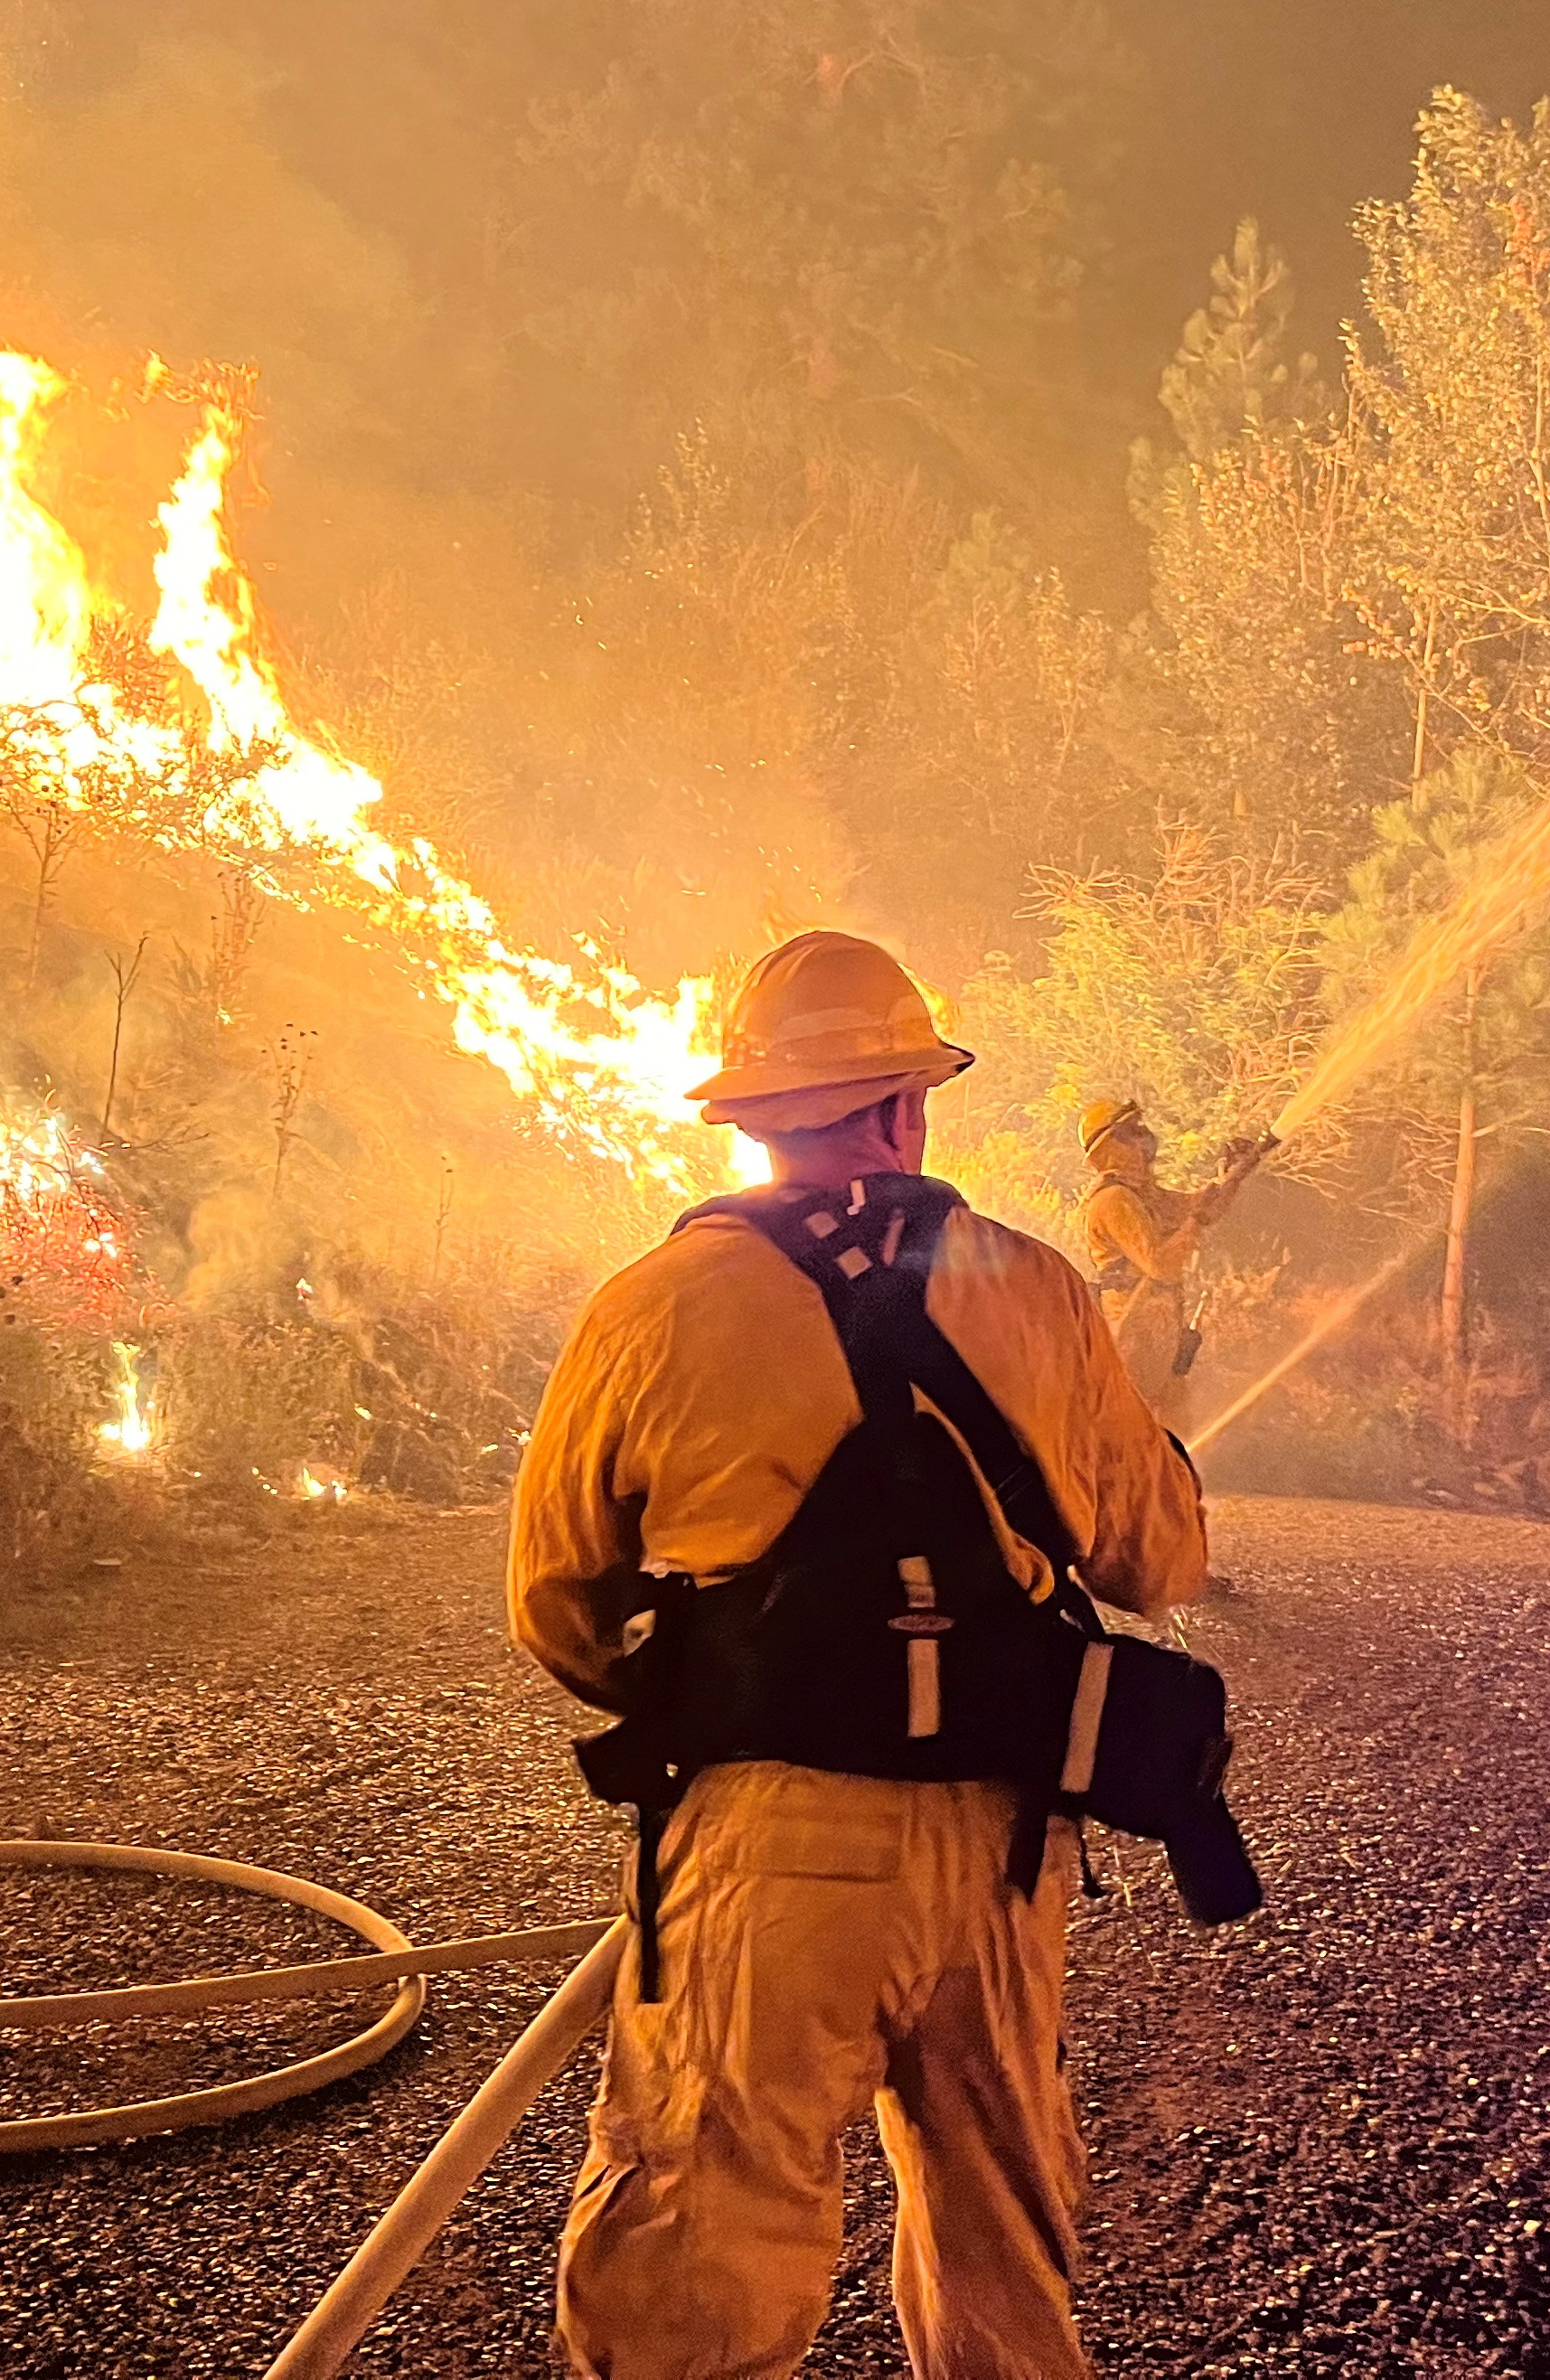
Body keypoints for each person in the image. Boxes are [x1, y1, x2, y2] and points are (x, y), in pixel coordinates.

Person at [510, 931, 1207, 2378]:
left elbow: (558, 1604)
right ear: (905, 1106)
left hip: (761, 1851)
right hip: (1001, 1854)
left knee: (695, 2263)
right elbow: (1159, 1561)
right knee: (1003, 2257)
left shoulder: (648, 1306)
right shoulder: (1039, 1290)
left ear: (755, 1118)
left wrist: (723, 1691)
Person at [1077, 1099, 1269, 1416]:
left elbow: (1201, 1209)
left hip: (1160, 1331)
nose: (1143, 1140)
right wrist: (1196, 1222)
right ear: (1107, 1150)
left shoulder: (1142, 1194)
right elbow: (1161, 1264)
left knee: (1172, 1417)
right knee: (1138, 1419)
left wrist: (1233, 1174)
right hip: (1133, 1330)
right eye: (1130, 1133)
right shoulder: (1114, 1201)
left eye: (1140, 1130)